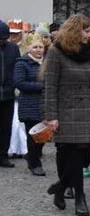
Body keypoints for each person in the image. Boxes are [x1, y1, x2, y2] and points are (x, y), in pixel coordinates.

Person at [42, 14, 90, 216]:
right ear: (76, 31)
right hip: (66, 112)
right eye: (86, 31)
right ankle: (80, 197)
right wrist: (51, 116)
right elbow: (50, 87)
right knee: (75, 155)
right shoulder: (56, 53)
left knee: (85, 154)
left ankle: (60, 187)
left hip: (87, 113)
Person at [14, 33, 47, 175]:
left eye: (40, 47)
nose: (39, 50)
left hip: (45, 103)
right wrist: (42, 86)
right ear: (28, 49)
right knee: (34, 135)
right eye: (35, 47)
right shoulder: (22, 63)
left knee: (44, 134)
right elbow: (20, 83)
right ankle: (34, 163)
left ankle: (33, 156)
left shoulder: (47, 62)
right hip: (30, 104)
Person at [0, 20, 18, 167]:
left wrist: (13, 86)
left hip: (8, 95)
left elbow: (16, 69)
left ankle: (3, 156)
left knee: (6, 127)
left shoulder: (12, 48)